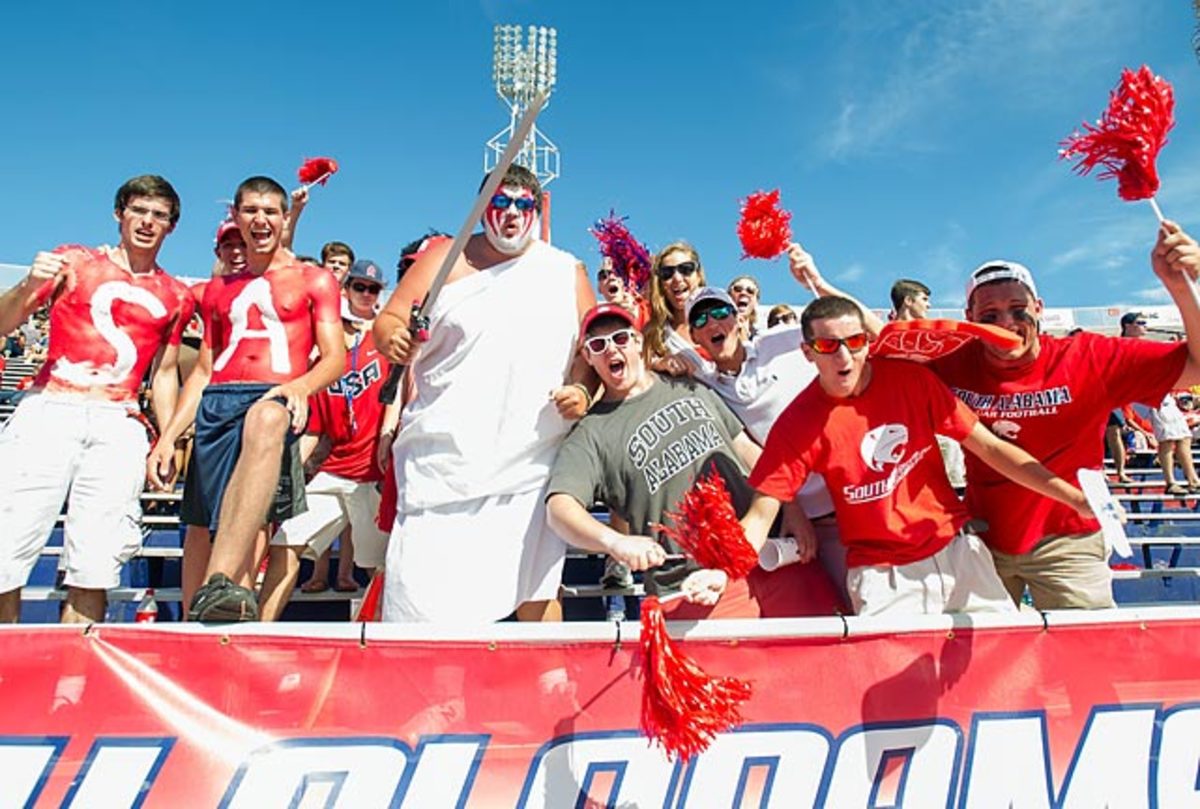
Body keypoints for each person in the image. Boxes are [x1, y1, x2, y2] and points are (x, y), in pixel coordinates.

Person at [741, 296, 1092, 616]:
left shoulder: (912, 381)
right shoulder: (798, 423)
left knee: (1002, 669)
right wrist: (722, 570)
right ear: (808, 352)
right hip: (884, 578)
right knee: (897, 686)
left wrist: (1075, 498)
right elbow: (760, 514)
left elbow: (991, 448)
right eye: (828, 345)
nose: (844, 357)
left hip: (959, 555)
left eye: (856, 342)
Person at [929, 221, 1200, 609]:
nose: (1006, 324)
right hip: (983, 541)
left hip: (1069, 539)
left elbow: (1197, 367)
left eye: (1018, 310)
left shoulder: (1090, 357)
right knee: (989, 662)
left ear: (1039, 309)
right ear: (969, 317)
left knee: (1084, 654)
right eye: (989, 316)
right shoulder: (950, 365)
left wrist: (1181, 287)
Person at [374, 164, 595, 624]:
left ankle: (546, 689)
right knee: (418, 601)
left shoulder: (563, 270)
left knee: (534, 588)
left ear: (535, 210)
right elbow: (390, 319)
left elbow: (589, 347)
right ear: (480, 209)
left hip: (530, 461)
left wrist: (580, 387)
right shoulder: (442, 261)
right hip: (441, 464)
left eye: (522, 204)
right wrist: (393, 336)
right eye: (500, 202)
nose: (512, 214)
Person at [546, 303, 844, 618]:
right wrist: (615, 542)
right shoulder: (591, 433)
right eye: (598, 345)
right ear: (589, 357)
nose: (611, 350)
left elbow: (744, 447)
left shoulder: (686, 382)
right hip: (692, 587)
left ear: (637, 341)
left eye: (620, 338)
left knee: (831, 657)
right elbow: (559, 508)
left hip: (771, 556)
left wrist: (792, 508)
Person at [147, 176, 345, 622]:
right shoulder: (216, 291)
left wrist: (299, 387)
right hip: (219, 399)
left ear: (284, 218)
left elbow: (334, 358)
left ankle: (229, 593)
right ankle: (196, 615)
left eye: (270, 211)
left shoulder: (314, 280)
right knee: (199, 521)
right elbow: (202, 370)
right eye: (250, 211)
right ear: (235, 215)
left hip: (273, 393)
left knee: (257, 508)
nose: (260, 220)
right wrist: (168, 438)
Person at [0, 175, 194, 623]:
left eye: (159, 215)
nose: (147, 222)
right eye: (139, 210)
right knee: (7, 546)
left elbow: (164, 374)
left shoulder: (176, 295)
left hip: (119, 418)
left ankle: (72, 680)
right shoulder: (74, 262)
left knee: (97, 562)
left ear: (171, 227)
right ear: (119, 214)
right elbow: (5, 322)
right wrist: (29, 285)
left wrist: (166, 440)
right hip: (51, 404)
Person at [259, 259, 396, 621]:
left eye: (373, 288)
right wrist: (288, 470)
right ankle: (260, 629)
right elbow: (316, 427)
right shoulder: (323, 353)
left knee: (380, 567)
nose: (365, 294)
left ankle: (383, 640)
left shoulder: (382, 339)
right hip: (334, 469)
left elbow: (398, 395)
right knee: (285, 543)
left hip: (372, 474)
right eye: (359, 286)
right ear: (345, 289)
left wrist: (388, 434)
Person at [644, 241, 707, 376]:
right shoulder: (654, 333)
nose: (677, 278)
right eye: (667, 273)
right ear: (660, 284)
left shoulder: (722, 320)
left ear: (698, 275)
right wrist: (657, 363)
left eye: (686, 269)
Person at [1106, 312, 1148, 483]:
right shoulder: (1116, 345)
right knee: (1105, 433)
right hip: (1105, 392)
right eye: (1141, 322)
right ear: (1127, 326)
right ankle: (1103, 470)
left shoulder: (1143, 347)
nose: (1145, 325)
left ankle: (1121, 472)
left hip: (1119, 396)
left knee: (1114, 433)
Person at [1150, 391, 1200, 494]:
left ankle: (1193, 480)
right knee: (1167, 440)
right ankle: (1170, 483)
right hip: (1156, 398)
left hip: (1169, 399)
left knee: (1185, 438)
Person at [727, 274, 761, 340]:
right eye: (738, 289)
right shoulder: (717, 332)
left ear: (756, 302)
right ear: (728, 296)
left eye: (750, 291)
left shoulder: (761, 339)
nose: (743, 293)